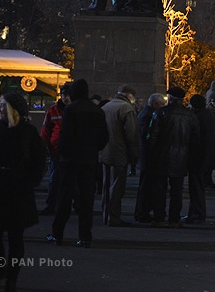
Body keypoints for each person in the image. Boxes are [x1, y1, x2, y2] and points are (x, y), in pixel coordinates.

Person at [0, 93, 43, 292]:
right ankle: (1, 269)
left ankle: (12, 279)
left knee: (16, 238)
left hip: (18, 191)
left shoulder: (28, 133)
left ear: (13, 110)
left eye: (2, 106)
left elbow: (38, 162)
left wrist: (29, 182)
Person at [48, 79, 109, 248]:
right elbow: (104, 136)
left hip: (70, 160)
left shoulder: (71, 110)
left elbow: (66, 135)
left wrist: (63, 151)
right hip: (89, 159)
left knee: (64, 197)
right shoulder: (97, 111)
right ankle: (85, 236)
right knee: (86, 199)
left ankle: (57, 233)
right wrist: (93, 149)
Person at [147, 86, 199, 227]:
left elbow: (152, 136)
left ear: (169, 98)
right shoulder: (190, 115)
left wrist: (150, 154)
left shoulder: (160, 113)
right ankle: (174, 219)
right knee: (177, 190)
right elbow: (195, 139)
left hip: (161, 156)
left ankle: (159, 217)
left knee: (160, 189)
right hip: (181, 156)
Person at [98, 85, 139, 227]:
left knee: (105, 185)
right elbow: (131, 135)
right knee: (116, 187)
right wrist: (134, 155)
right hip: (119, 153)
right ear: (129, 95)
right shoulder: (127, 109)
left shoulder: (106, 107)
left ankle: (105, 215)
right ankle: (113, 217)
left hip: (104, 152)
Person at [184, 95, 215, 224]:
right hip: (206, 157)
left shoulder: (198, 117)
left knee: (196, 188)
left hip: (199, 158)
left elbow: (197, 139)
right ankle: (195, 213)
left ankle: (197, 214)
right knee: (198, 188)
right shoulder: (208, 116)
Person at [39, 82, 71, 215]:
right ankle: (52, 205)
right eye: (64, 95)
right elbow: (46, 130)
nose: (66, 98)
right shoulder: (53, 110)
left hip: (69, 151)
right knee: (55, 179)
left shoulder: (73, 110)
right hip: (55, 150)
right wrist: (44, 146)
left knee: (67, 180)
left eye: (68, 95)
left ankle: (66, 205)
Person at [134, 93, 166, 223]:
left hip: (146, 157)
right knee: (146, 187)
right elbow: (148, 137)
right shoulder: (148, 116)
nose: (163, 107)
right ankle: (142, 213)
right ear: (155, 104)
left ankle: (143, 212)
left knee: (146, 186)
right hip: (148, 157)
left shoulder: (146, 114)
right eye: (162, 104)